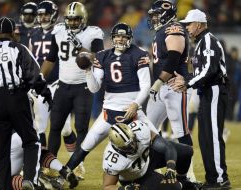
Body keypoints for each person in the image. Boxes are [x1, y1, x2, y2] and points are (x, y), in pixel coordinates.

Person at [65, 22, 156, 177]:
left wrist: (135, 104)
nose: (120, 39)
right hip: (109, 113)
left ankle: (166, 172)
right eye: (117, 36)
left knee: (156, 143)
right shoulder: (102, 55)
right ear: (112, 38)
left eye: (123, 36)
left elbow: (146, 85)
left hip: (133, 113)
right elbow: (95, 88)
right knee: (85, 146)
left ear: (129, 38)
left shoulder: (139, 54)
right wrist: (88, 71)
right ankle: (63, 175)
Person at [40, 1, 104, 179]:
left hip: (83, 87)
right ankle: (50, 165)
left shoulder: (94, 33)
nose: (73, 23)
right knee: (55, 128)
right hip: (63, 86)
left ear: (83, 19)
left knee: (81, 128)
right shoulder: (59, 31)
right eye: (70, 19)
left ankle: (77, 165)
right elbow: (51, 58)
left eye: (76, 19)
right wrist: (38, 79)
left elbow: (100, 58)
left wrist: (81, 49)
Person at [0, 17, 51, 190]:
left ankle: (2, 187)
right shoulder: (19, 48)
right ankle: (29, 179)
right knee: (31, 141)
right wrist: (45, 93)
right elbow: (34, 74)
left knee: (0, 149)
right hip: (16, 97)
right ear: (12, 33)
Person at [170, 9, 231, 189]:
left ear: (198, 24)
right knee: (205, 138)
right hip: (207, 91)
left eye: (188, 24)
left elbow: (209, 71)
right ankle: (212, 179)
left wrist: (187, 82)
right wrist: (187, 79)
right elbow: (202, 72)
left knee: (212, 137)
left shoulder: (208, 41)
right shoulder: (201, 42)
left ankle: (220, 179)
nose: (187, 27)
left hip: (214, 90)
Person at [146, 0, 195, 180]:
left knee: (180, 130)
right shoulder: (161, 30)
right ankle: (152, 168)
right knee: (149, 128)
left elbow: (173, 58)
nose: (154, 18)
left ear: (166, 14)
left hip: (175, 86)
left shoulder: (174, 28)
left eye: (157, 15)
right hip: (162, 86)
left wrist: (158, 82)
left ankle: (187, 175)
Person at [29, 0, 77, 154]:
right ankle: (44, 164)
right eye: (40, 14)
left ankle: (76, 165)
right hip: (41, 85)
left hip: (58, 83)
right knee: (39, 126)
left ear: (54, 15)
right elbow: (31, 59)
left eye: (46, 14)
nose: (42, 18)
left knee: (65, 128)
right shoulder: (33, 34)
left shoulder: (61, 31)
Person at [103, 120, 201, 190]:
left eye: (132, 141)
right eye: (127, 146)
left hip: (149, 157)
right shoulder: (113, 159)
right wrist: (123, 188)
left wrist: (170, 167)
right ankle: (183, 186)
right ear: (117, 147)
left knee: (186, 151)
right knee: (173, 187)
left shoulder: (139, 129)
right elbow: (107, 186)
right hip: (136, 176)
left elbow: (167, 147)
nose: (133, 146)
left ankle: (183, 180)